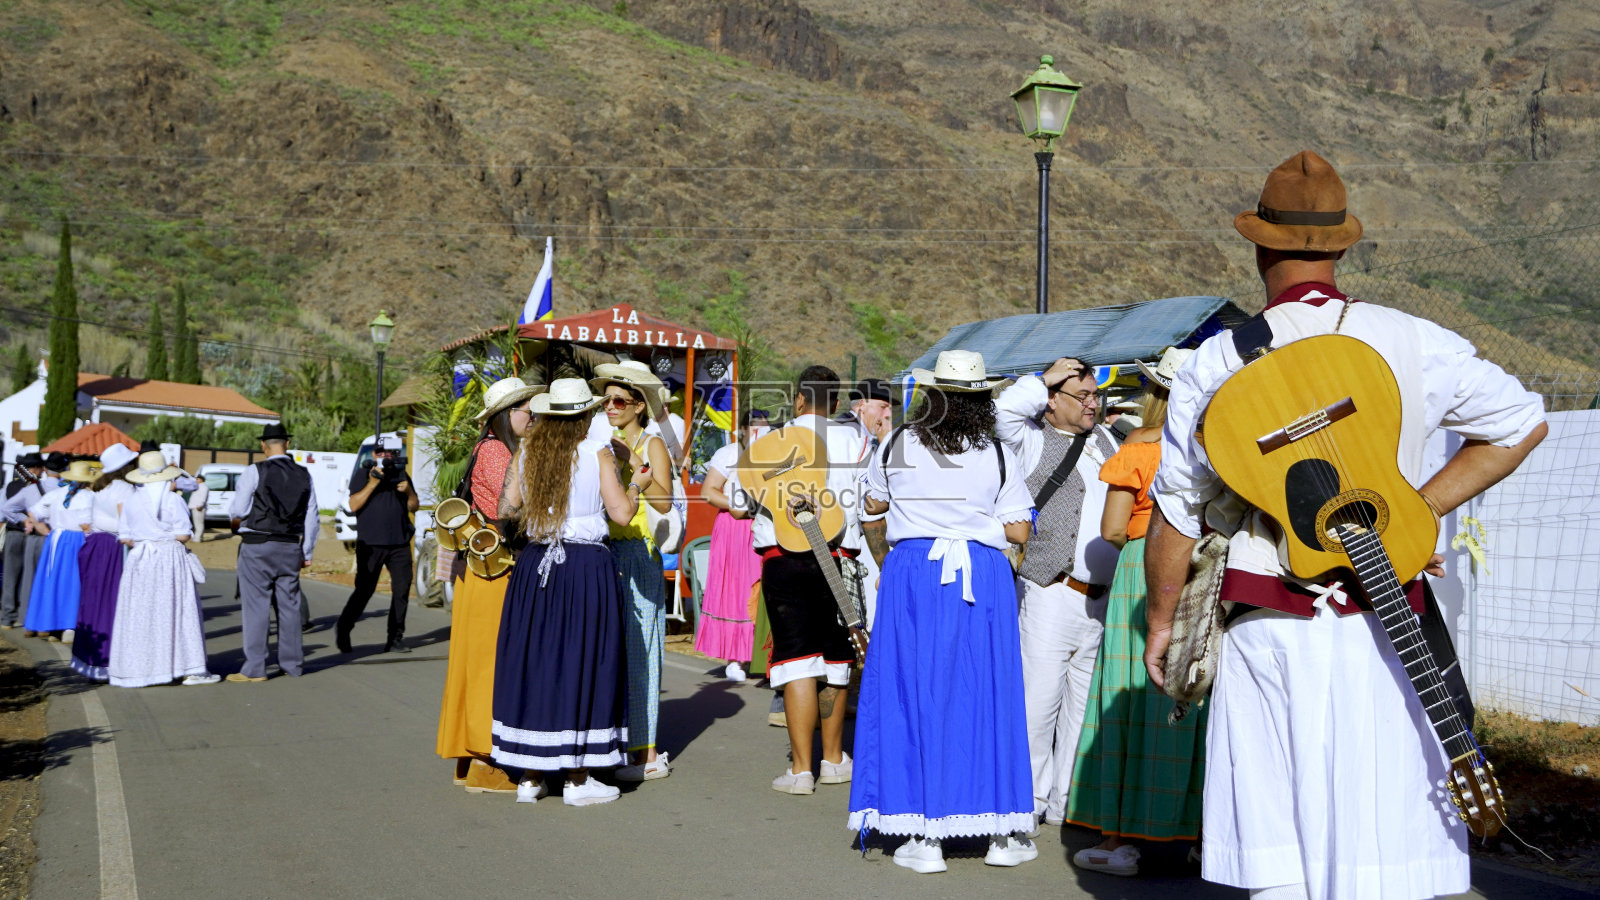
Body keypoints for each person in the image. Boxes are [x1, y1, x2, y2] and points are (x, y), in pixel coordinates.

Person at [1144, 150, 1548, 900]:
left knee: (1280, 852)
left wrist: (1163, 622)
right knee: (1385, 839)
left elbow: (1175, 510)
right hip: (1388, 628)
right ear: (1339, 246)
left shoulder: (1213, 362)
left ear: (1260, 247)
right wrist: (1414, 511)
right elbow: (1521, 422)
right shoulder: (1415, 338)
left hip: (1269, 627)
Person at [851, 350, 1038, 874]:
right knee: (988, 695)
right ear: (982, 400)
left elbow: (871, 508)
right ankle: (1001, 834)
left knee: (913, 692)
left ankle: (925, 835)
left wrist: (892, 554)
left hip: (912, 571)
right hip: (980, 574)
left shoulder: (896, 443)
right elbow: (1019, 529)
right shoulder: (998, 453)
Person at [1064, 348, 1205, 878]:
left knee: (1125, 693)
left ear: (1155, 393)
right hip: (1202, 571)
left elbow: (1113, 529)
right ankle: (1198, 831)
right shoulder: (1214, 446)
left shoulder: (1141, 446)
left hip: (1141, 572)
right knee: (1195, 692)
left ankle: (1117, 837)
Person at [490, 378, 638, 807]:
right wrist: (636, 485)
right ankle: (577, 778)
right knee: (583, 659)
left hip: (536, 565)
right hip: (584, 567)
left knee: (536, 660)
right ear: (585, 415)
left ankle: (531, 776)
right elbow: (622, 514)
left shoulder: (528, 452)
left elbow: (506, 510)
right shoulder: (598, 453)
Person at [995, 356, 1121, 827]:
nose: (1093, 404)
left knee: (1084, 711)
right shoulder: (1028, 440)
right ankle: (1025, 802)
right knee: (1038, 703)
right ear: (1051, 401)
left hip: (1102, 597)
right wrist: (1044, 379)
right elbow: (1002, 413)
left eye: (1096, 395)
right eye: (1082, 395)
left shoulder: (1108, 439)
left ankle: (1069, 802)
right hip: (1049, 589)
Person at [750, 365, 867, 796]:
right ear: (834, 402)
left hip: (785, 559)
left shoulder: (770, 443)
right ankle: (834, 760)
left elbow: (746, 500)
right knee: (836, 661)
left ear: (799, 399)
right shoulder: (856, 439)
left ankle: (801, 770)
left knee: (798, 661)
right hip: (838, 556)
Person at [437, 376, 539, 795]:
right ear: (505, 415)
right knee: (488, 663)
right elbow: (512, 508)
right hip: (491, 569)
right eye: (525, 410)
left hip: (481, 569)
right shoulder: (498, 452)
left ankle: (474, 757)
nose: (531, 417)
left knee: (479, 660)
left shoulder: (489, 448)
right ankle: (485, 760)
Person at [590, 360, 676, 782]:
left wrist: (635, 464)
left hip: (638, 554)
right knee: (612, 652)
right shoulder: (597, 440)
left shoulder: (652, 442)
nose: (610, 406)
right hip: (605, 553)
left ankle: (647, 751)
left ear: (639, 405)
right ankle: (615, 741)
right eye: (606, 400)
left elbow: (664, 503)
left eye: (619, 400)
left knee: (642, 652)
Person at [108, 451, 220, 687]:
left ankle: (142, 667)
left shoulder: (131, 500)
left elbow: (125, 536)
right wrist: (163, 537)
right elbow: (183, 534)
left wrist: (145, 540)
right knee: (177, 610)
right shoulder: (173, 500)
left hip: (140, 560)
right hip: (168, 559)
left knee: (142, 613)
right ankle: (187, 667)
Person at [229, 423, 319, 682]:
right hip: (290, 544)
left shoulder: (255, 471)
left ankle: (255, 668)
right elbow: (311, 516)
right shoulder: (304, 474)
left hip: (258, 543)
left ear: (263, 445)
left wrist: (236, 525)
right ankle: (292, 665)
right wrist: (307, 551)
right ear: (287, 444)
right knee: (289, 605)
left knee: (256, 606)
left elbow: (238, 510)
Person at [695, 408, 769, 681]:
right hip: (734, 528)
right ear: (743, 431)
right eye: (755, 428)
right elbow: (707, 492)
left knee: (761, 588)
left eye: (765, 429)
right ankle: (735, 657)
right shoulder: (728, 454)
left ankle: (761, 654)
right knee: (737, 588)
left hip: (764, 525)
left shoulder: (771, 456)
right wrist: (738, 505)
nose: (760, 434)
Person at [336, 435, 419, 654]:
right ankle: (344, 628)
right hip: (371, 544)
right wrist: (372, 484)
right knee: (364, 590)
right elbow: (353, 505)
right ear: (374, 454)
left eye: (390, 453)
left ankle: (395, 638)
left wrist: (408, 491)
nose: (386, 457)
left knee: (401, 591)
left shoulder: (401, 473)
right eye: (381, 453)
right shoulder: (364, 473)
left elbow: (414, 506)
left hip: (400, 543)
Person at [69, 444, 139, 681]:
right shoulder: (124, 489)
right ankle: (108, 661)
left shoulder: (101, 486)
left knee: (93, 603)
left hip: (95, 545)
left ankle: (90, 659)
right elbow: (124, 523)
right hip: (112, 548)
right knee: (111, 603)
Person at [23, 457, 100, 641]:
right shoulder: (89, 497)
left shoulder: (57, 493)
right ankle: (69, 626)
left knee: (52, 580)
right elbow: (86, 525)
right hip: (78, 540)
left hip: (56, 539)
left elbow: (33, 512)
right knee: (74, 582)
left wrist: (45, 530)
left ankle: (45, 624)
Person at [1, 452, 48, 630]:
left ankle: (8, 616)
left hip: (14, 533)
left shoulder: (12, 486)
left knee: (10, 577)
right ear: (35, 468)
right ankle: (25, 615)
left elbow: (5, 509)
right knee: (29, 577)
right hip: (31, 534)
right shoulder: (38, 487)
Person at [185, 472, 210, 542]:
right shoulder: (198, 486)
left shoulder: (204, 487)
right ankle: (198, 537)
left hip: (198, 507)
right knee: (197, 523)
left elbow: (203, 497)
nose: (196, 480)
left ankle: (198, 538)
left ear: (201, 480)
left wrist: (200, 505)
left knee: (199, 524)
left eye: (197, 479)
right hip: (195, 506)